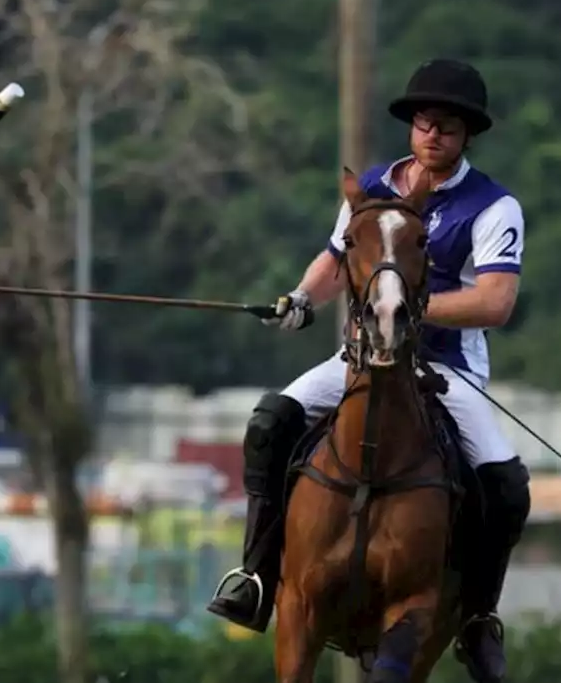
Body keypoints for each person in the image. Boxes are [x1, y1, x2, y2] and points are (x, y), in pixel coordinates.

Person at [206, 58, 532, 683]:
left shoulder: (494, 206)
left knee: (506, 485)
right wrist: (301, 299)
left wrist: (404, 308)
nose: (434, 135)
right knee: (271, 420)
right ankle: (254, 574)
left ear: (467, 137)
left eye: (449, 128)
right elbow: (335, 261)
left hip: (445, 365)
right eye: (425, 123)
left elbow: (495, 302)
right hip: (359, 358)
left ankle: (478, 621)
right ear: (413, 126)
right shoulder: (375, 188)